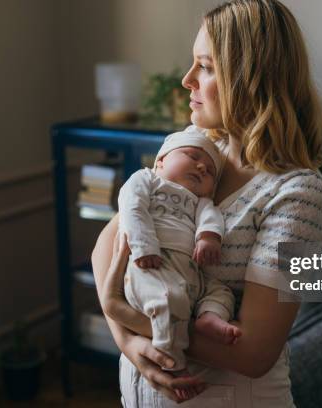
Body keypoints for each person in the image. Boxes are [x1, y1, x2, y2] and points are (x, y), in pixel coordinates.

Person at [91, 0, 322, 406]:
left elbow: (254, 352)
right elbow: (108, 241)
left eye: (204, 67)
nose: (187, 80)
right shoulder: (197, 151)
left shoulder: (298, 195)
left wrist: (122, 311)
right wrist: (125, 340)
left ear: (250, 78)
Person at [103, 128, 241, 382]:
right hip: (153, 264)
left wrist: (208, 237)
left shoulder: (201, 201)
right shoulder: (146, 179)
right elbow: (132, 208)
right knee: (168, 299)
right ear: (161, 161)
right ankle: (171, 360)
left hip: (191, 271)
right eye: (191, 155)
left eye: (210, 171)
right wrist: (145, 247)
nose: (201, 167)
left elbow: (211, 218)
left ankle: (209, 317)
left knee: (221, 292)